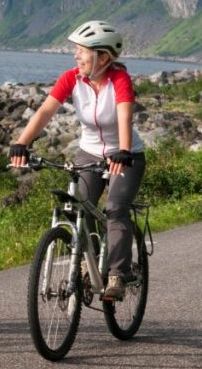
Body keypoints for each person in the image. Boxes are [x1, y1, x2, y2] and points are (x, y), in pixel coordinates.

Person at [9, 20, 145, 300]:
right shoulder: (71, 78)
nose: (75, 56)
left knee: (115, 209)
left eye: (82, 51)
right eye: (76, 50)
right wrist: (22, 142)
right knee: (79, 206)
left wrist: (124, 150)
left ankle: (119, 274)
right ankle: (88, 262)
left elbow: (124, 115)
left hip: (126, 155)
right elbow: (46, 112)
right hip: (89, 154)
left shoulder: (119, 80)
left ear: (103, 57)